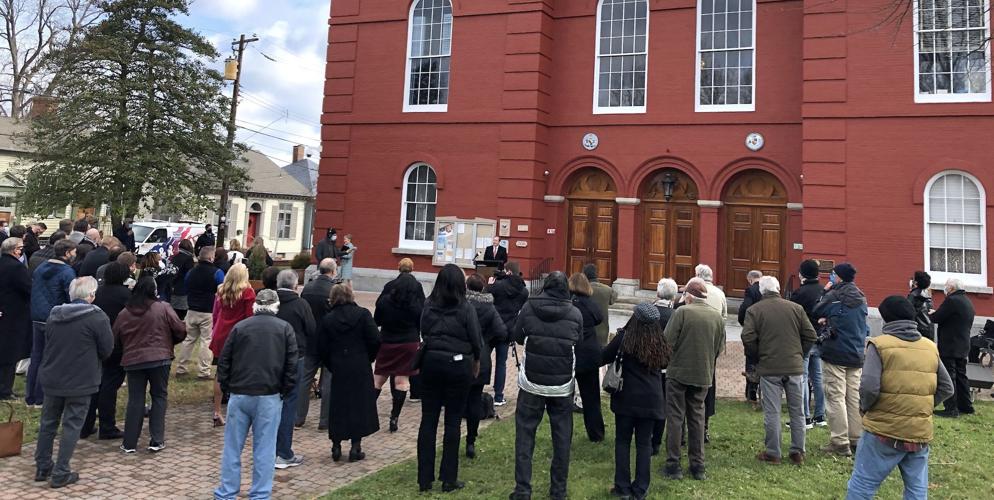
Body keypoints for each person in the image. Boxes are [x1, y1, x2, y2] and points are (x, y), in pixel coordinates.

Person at [845, 296, 954, 500]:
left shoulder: (878, 345)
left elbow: (869, 387)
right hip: (918, 432)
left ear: (886, 319)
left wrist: (865, 408)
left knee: (862, 484)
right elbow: (947, 387)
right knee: (917, 490)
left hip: (882, 430)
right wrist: (923, 407)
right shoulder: (930, 347)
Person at [214, 289, 298, 500]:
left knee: (233, 447)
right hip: (269, 395)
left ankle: (227, 492)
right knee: (265, 448)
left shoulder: (240, 327)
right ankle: (260, 494)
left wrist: (227, 387)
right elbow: (291, 365)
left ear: (255, 306)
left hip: (240, 394)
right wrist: (284, 391)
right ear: (276, 306)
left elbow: (224, 361)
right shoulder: (285, 329)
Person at [34, 277, 113, 488]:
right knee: (71, 425)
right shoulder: (97, 317)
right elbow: (107, 349)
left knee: (48, 423)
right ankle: (61, 471)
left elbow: (49, 342)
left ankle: (42, 465)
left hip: (52, 375)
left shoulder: (54, 315)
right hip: (81, 379)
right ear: (91, 296)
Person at [509, 271, 582, 500]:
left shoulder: (529, 308)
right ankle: (558, 491)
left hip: (531, 383)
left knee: (525, 435)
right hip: (561, 385)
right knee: (562, 438)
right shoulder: (575, 313)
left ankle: (522, 490)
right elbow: (577, 339)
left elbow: (517, 336)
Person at [417, 264, 483, 493]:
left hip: (432, 362)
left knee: (428, 420)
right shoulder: (466, 308)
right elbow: (476, 339)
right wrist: (476, 360)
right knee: (452, 421)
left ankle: (424, 479)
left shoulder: (428, 304)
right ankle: (448, 478)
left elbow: (423, 330)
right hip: (458, 365)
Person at [742, 276, 817, 466]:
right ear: (778, 289)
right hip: (794, 366)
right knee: (797, 411)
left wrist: (758, 356)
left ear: (761, 291)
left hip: (769, 367)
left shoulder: (754, 310)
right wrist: (800, 353)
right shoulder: (795, 308)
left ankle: (773, 452)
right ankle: (797, 452)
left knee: (772, 412)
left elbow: (748, 337)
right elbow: (811, 335)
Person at [602, 304, 670, 500]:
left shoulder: (625, 338)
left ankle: (622, 487)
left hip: (626, 397)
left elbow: (604, 355)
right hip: (651, 399)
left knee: (622, 441)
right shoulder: (660, 342)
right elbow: (666, 363)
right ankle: (640, 488)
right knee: (644, 444)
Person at [662, 277, 725, 481]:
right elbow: (718, 348)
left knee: (675, 417)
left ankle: (673, 465)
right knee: (697, 418)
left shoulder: (682, 312)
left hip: (678, 373)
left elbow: (667, 341)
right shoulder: (716, 317)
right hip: (702, 374)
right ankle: (697, 466)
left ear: (688, 296)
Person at [114, 277, 187, 453]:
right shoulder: (163, 308)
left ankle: (129, 443)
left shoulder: (125, 313)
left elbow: (115, 336)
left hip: (133, 360)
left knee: (135, 399)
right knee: (159, 396)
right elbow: (180, 329)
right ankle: (156, 440)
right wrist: (170, 343)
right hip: (160, 358)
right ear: (153, 291)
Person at [315, 284, 380, 462]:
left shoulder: (328, 320)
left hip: (339, 365)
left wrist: (331, 363)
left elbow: (321, 347)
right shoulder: (363, 315)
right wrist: (368, 357)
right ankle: (355, 446)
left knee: (338, 405)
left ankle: (336, 444)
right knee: (358, 405)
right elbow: (375, 339)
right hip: (359, 364)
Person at [812, 263, 869, 456]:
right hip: (856, 353)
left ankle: (839, 441)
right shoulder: (861, 297)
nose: (830, 277)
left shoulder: (834, 295)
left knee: (835, 395)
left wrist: (825, 316)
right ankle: (856, 437)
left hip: (835, 352)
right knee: (853, 396)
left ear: (839, 277)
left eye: (832, 274)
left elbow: (817, 310)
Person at [373, 258, 425, 433]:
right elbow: (422, 313)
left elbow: (378, 314)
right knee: (402, 381)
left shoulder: (389, 287)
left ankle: (369, 411)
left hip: (387, 339)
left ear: (398, 268)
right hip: (409, 340)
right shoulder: (417, 288)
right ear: (412, 268)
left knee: (379, 378)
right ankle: (394, 417)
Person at [81, 262, 132, 440]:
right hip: (117, 345)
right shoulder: (126, 295)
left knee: (95, 385)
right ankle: (107, 426)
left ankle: (85, 425)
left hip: (95, 343)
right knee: (110, 386)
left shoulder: (98, 293)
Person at [27, 239, 77, 408]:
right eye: (74, 252)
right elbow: (71, 296)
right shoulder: (67, 272)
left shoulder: (41, 267)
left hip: (37, 315)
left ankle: (30, 397)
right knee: (49, 358)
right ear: (68, 252)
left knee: (36, 356)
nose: (75, 255)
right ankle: (41, 398)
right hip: (55, 317)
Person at [273, 269, 315, 469]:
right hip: (294, 357)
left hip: (271, 357)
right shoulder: (300, 305)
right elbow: (311, 329)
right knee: (289, 403)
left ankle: (271, 450)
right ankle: (283, 452)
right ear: (295, 285)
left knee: (271, 402)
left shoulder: (270, 302)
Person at [463, 273, 507, 458]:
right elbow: (502, 331)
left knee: (457, 399)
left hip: (460, 354)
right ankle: (470, 441)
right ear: (483, 288)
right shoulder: (488, 307)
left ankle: (453, 439)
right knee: (474, 400)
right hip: (481, 357)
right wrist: (487, 341)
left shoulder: (461, 304)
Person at [209, 263, 256, 426]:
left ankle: (216, 411)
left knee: (219, 374)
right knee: (239, 374)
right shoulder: (248, 292)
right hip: (238, 335)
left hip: (221, 334)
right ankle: (237, 412)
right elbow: (250, 317)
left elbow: (215, 314)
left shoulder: (221, 290)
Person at [297, 258, 340, 429]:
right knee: (329, 380)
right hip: (329, 341)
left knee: (305, 379)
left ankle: (299, 417)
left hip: (310, 340)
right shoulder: (333, 290)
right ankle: (325, 420)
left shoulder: (307, 288)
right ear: (332, 271)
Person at [930, 278, 976, 418]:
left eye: (946, 287)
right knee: (962, 376)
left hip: (950, 345)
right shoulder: (967, 301)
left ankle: (951, 408)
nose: (945, 289)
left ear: (951, 288)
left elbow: (937, 317)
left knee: (950, 376)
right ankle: (966, 406)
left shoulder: (952, 300)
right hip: (963, 344)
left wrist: (931, 313)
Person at [175, 247, 223, 380]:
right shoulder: (217, 272)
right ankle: (203, 371)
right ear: (211, 258)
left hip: (191, 309)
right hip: (208, 311)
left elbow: (186, 285)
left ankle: (181, 368)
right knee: (206, 341)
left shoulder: (191, 272)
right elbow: (221, 289)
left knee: (188, 339)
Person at [568, 272, 605, 442]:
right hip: (589, 354)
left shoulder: (569, 303)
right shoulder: (590, 304)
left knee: (564, 398)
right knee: (591, 398)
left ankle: (564, 434)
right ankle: (596, 434)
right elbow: (599, 318)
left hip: (570, 353)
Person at [791, 259, 827, 428]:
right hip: (819, 338)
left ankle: (805, 417)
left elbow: (793, 317)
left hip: (804, 340)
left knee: (803, 378)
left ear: (802, 274)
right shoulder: (824, 291)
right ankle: (820, 415)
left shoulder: (799, 293)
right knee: (818, 378)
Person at [487, 260, 529, 406]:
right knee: (501, 363)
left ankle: (478, 387)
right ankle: (499, 395)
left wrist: (491, 284)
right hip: (508, 328)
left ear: (509, 271)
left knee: (484, 357)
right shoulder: (524, 291)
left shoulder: (498, 286)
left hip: (492, 326)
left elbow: (487, 296)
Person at [694, 264, 725, 443]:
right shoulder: (720, 294)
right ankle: (704, 428)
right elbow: (724, 319)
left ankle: (682, 432)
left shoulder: (692, 290)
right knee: (708, 385)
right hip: (711, 346)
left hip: (693, 345)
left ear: (698, 275)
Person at [650, 278, 678, 456]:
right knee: (661, 405)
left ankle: (645, 436)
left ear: (657, 293)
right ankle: (656, 442)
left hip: (646, 366)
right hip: (666, 367)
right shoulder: (675, 315)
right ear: (674, 296)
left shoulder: (648, 312)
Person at [0, 238, 31, 400]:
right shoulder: (17, 268)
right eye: (20, 248)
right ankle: (5, 389)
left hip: (3, 310)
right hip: (14, 314)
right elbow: (28, 288)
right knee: (10, 353)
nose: (22, 250)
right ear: (14, 250)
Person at [738, 270, 763, 403]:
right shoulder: (770, 289)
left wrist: (744, 323)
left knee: (751, 360)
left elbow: (745, 308)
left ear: (750, 279)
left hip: (753, 330)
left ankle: (751, 391)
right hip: (767, 330)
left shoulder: (751, 291)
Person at [582, 263, 617, 348]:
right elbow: (613, 299)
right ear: (596, 274)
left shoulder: (582, 290)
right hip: (602, 332)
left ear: (584, 274)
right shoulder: (607, 290)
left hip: (584, 333)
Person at [169, 239, 196, 320]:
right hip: (183, 289)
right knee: (182, 315)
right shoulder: (189, 259)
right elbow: (190, 276)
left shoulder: (174, 258)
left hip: (173, 288)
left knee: (173, 314)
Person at [907, 271, 934, 341]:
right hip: (929, 330)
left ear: (916, 282)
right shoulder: (928, 295)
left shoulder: (913, 296)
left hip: (917, 331)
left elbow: (907, 312)